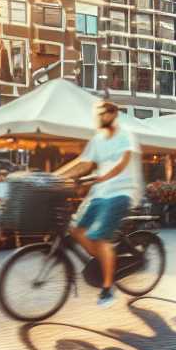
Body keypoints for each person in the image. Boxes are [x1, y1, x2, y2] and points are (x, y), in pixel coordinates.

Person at [53, 100, 145, 308]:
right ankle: (106, 261)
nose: (100, 117)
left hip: (122, 192)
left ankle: (107, 289)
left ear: (114, 114)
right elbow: (83, 163)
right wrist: (54, 177)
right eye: (98, 113)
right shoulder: (97, 139)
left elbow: (123, 162)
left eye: (104, 113)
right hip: (100, 193)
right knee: (77, 230)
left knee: (99, 237)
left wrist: (104, 177)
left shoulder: (125, 135)